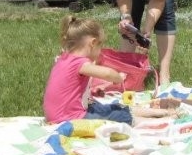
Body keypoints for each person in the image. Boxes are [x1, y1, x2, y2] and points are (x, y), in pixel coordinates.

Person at [43, 15, 177, 124]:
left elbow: (70, 89)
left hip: (59, 114)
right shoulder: (81, 63)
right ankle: (162, 120)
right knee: (117, 117)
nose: (101, 50)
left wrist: (93, 90)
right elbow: (107, 73)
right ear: (93, 43)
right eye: (100, 45)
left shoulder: (64, 59)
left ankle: (159, 112)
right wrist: (118, 77)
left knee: (109, 108)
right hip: (69, 119)